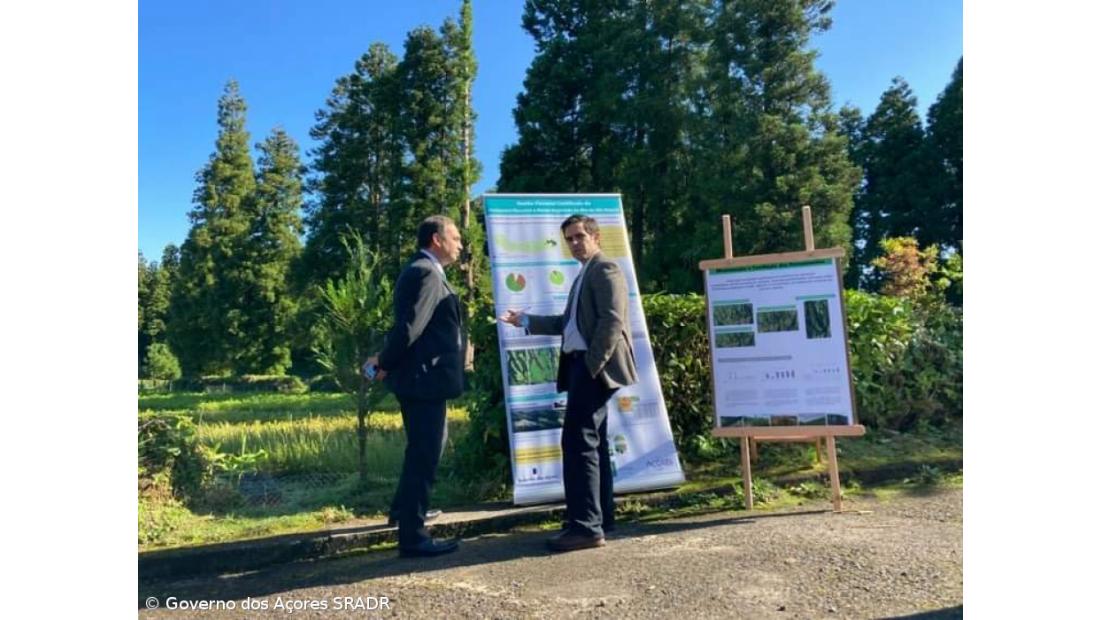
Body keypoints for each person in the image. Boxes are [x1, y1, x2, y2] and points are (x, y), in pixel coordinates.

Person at [501, 214, 638, 552]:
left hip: (594, 368)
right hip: (583, 366)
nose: (575, 243)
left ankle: (585, 527)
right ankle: (600, 517)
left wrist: (592, 366)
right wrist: (526, 320)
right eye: (570, 239)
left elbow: (612, 321)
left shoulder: (606, 268)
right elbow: (567, 323)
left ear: (595, 237)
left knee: (578, 443)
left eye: (579, 236)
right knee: (592, 443)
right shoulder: (583, 274)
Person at [365, 215, 465, 558]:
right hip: (424, 380)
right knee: (426, 452)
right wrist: (384, 362)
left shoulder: (426, 271)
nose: (460, 244)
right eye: (455, 237)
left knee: (421, 450)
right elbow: (409, 329)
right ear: (436, 239)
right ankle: (413, 534)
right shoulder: (425, 272)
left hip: (424, 379)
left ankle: (404, 511)